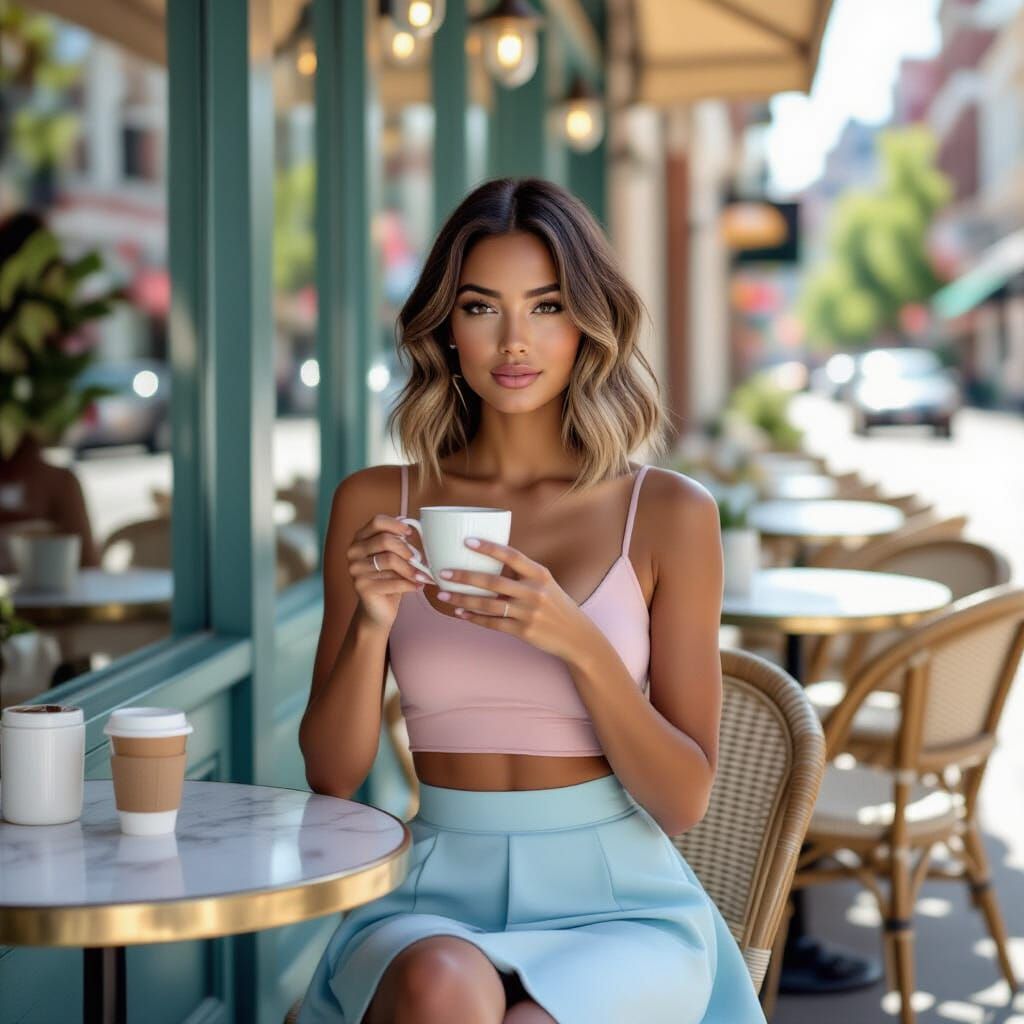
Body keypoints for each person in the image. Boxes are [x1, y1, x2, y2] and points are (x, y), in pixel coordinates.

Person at [296, 177, 766, 1023]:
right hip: (433, 887)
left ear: (588, 322)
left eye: (546, 306)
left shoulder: (668, 513)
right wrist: (371, 624)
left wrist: (575, 640)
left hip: (619, 900)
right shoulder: (374, 502)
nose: (514, 340)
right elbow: (332, 775)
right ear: (446, 326)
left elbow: (683, 800)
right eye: (482, 307)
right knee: (441, 983)